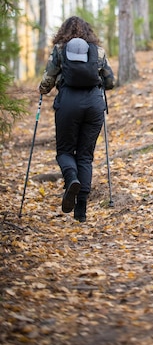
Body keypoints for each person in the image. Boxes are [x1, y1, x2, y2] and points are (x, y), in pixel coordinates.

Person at [39, 16, 115, 222]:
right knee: (85, 156)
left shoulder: (60, 50)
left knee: (64, 151)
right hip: (94, 105)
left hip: (68, 103)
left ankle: (71, 178)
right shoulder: (98, 52)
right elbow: (110, 81)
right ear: (88, 31)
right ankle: (81, 210)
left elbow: (48, 78)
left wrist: (42, 89)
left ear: (63, 31)